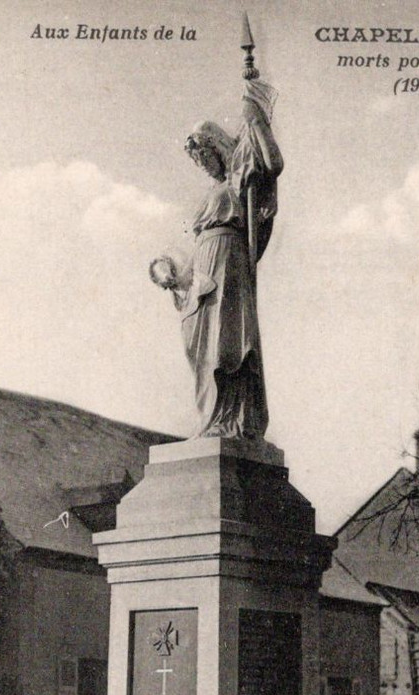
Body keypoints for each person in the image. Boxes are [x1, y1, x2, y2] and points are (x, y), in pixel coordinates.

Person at [151, 80, 283, 440]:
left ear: (219, 150)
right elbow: (193, 251)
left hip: (230, 264)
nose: (203, 165)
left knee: (227, 346)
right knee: (203, 349)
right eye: (198, 161)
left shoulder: (240, 182)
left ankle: (232, 419)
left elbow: (271, 163)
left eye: (206, 156)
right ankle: (212, 418)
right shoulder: (209, 195)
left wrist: (255, 119)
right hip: (204, 273)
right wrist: (171, 275)